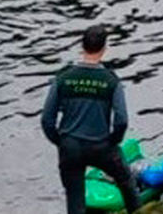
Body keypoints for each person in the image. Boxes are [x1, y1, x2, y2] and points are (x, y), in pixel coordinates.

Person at [41, 24, 142, 214]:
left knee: (75, 198)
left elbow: (47, 119)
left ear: (82, 47)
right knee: (127, 182)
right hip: (101, 145)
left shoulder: (63, 78)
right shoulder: (111, 80)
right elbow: (121, 120)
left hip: (70, 146)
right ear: (104, 48)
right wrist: (112, 141)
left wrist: (62, 141)